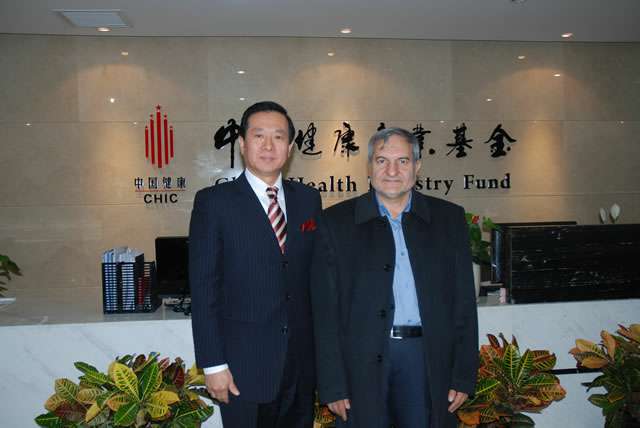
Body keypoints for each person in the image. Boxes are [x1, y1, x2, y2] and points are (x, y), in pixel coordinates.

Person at [311, 127, 478, 428]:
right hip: (360, 362)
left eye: (402, 161)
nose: (392, 171)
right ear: (369, 167)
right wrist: (333, 384)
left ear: (417, 166)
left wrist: (463, 375)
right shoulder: (335, 223)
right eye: (382, 161)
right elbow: (325, 312)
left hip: (425, 358)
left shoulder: (448, 219)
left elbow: (463, 302)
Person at [189, 101, 322, 428]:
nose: (268, 146)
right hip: (242, 368)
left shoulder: (308, 200)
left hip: (300, 366)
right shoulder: (214, 203)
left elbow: (315, 279)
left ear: (290, 148)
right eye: (259, 135)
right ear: (242, 143)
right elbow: (204, 289)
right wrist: (213, 365)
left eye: (278, 137)